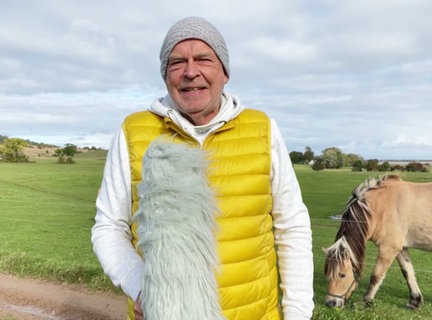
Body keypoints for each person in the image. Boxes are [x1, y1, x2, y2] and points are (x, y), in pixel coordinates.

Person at [91, 16, 314, 320]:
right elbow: (109, 226)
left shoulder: (263, 129)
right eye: (177, 62)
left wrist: (298, 313)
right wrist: (140, 286)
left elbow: (292, 226)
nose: (190, 72)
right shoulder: (133, 132)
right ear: (165, 75)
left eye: (204, 59)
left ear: (224, 71)